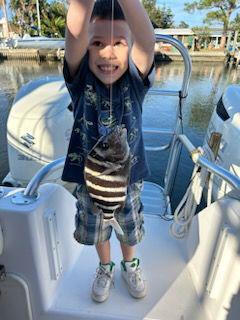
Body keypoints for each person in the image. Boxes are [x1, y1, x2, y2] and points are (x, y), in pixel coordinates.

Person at [62, 0, 155, 303]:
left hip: (129, 180)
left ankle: (130, 263)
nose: (107, 52)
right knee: (97, 230)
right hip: (89, 182)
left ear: (130, 50)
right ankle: (105, 266)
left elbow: (146, 39)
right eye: (97, 43)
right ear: (86, 49)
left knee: (128, 228)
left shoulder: (135, 82)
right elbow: (75, 34)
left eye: (119, 43)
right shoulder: (79, 82)